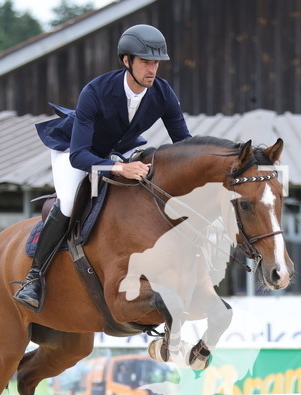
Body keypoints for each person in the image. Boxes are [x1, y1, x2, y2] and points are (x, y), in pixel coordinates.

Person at [15, 24, 192, 311]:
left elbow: (184, 143)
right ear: (126, 61)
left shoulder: (163, 93)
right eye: (145, 61)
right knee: (71, 202)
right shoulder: (96, 91)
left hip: (113, 151)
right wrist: (119, 169)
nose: (152, 69)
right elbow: (81, 156)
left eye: (156, 62)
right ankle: (34, 278)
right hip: (73, 150)